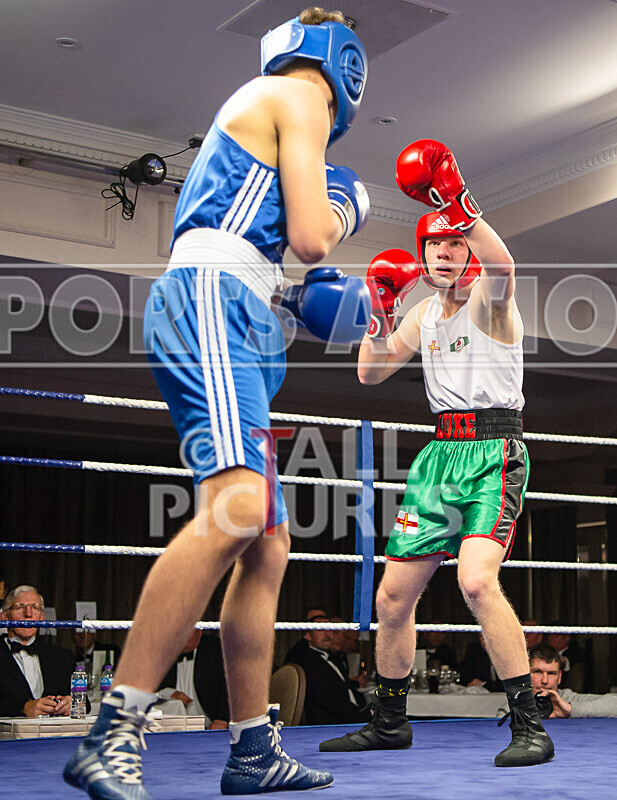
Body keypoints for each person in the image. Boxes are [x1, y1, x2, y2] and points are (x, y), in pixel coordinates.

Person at [64, 8, 369, 798]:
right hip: (214, 299)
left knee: (266, 543)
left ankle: (251, 748)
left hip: (242, 306)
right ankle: (114, 730)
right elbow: (311, 237)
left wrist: (300, 305)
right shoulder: (297, 97)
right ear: (344, 68)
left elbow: (275, 254)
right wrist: (345, 208)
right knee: (236, 509)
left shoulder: (268, 109)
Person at [320, 138, 554, 767]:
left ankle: (529, 725)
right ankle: (390, 719)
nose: (449, 253)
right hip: (438, 459)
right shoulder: (422, 312)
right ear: (423, 256)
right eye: (438, 245)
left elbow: (503, 266)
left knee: (477, 580)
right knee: (392, 598)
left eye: (457, 242)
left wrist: (458, 201)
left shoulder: (490, 299)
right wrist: (380, 309)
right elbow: (371, 374)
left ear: (468, 249)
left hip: (493, 451)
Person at [0, 585, 74, 717]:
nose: (28, 614)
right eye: (20, 607)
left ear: (42, 617)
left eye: (35, 607)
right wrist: (23, 708)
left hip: (55, 736)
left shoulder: (63, 657)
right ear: (4, 617)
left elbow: (85, 701)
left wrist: (72, 704)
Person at [287, 616, 371, 726]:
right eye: (321, 630)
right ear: (308, 635)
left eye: (330, 629)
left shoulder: (333, 658)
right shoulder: (307, 662)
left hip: (353, 715)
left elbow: (344, 688)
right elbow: (331, 704)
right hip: (336, 725)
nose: (327, 635)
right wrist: (365, 715)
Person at [500, 644, 617, 718]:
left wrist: (570, 710)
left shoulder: (566, 698)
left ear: (559, 677)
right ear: (525, 675)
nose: (544, 681)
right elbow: (499, 726)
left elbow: (614, 703)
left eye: (551, 673)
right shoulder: (515, 703)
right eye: (537, 672)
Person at [157, 628, 229, 729]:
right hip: (172, 726)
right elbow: (151, 689)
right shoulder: (162, 651)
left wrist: (222, 720)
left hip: (211, 725)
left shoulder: (215, 648)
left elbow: (230, 687)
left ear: (199, 632)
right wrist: (170, 693)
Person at [544, 623, 586, 691]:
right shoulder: (544, 651)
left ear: (566, 638)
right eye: (549, 634)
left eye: (555, 635)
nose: (550, 637)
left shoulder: (577, 654)